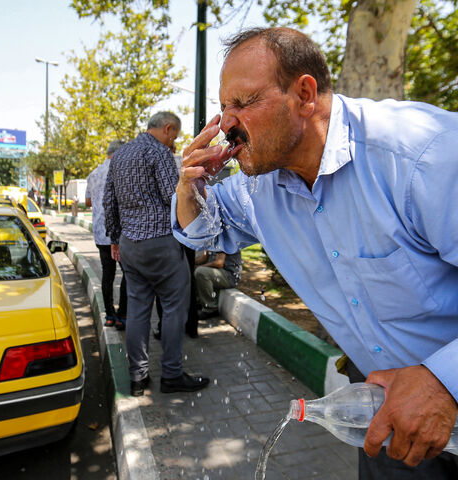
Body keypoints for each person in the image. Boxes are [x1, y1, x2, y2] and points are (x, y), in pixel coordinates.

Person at [172, 27, 458, 478]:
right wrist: (190, 186)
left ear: (304, 94)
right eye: (222, 108)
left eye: (242, 104)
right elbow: (203, 233)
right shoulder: (258, 187)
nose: (226, 123)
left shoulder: (423, 155)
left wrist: (445, 379)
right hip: (386, 418)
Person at [103, 111, 210, 397]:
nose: (174, 142)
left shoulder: (121, 154)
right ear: (168, 128)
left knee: (138, 310)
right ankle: (172, 375)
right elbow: (172, 196)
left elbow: (108, 200)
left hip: (130, 245)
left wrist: (115, 238)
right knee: (174, 308)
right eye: (174, 136)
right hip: (161, 244)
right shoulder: (159, 153)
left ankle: (138, 378)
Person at [85, 140, 128, 330]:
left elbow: (87, 202)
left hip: (101, 234)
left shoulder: (93, 174)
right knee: (128, 273)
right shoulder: (122, 171)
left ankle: (109, 315)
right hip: (119, 233)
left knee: (107, 274)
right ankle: (123, 315)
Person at [194, 250, 242, 319]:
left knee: (200, 272)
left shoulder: (224, 240)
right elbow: (204, 257)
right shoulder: (210, 240)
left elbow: (219, 263)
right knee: (194, 269)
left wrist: (199, 267)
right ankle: (199, 303)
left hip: (229, 276)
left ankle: (210, 308)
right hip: (218, 272)